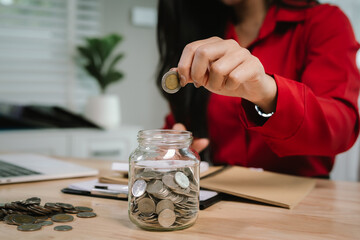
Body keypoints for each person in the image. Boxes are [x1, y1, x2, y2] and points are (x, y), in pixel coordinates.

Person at [156, 0, 360, 178]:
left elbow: (341, 127)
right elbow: (181, 123)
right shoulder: (198, 28)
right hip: (217, 196)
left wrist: (267, 93)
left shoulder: (324, 21)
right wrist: (177, 145)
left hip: (302, 203)